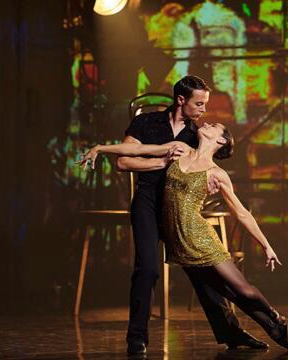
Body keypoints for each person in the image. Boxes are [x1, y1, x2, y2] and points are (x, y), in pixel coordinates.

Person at [81, 121, 288, 352]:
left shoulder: (217, 173)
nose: (206, 122)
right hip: (178, 241)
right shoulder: (179, 149)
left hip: (200, 238)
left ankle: (277, 322)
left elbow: (241, 212)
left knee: (242, 290)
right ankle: (264, 329)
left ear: (221, 140)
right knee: (224, 292)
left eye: (214, 125)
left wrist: (266, 246)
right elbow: (137, 150)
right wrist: (99, 148)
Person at [92, 76, 269, 355]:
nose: (203, 110)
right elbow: (124, 161)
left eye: (205, 104)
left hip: (180, 208)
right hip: (149, 202)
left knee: (202, 271)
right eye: (198, 103)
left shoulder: (196, 134)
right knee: (147, 269)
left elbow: (206, 167)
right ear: (180, 100)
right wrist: (161, 162)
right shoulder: (146, 123)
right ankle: (136, 338)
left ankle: (232, 334)